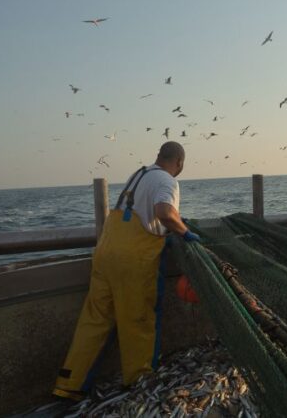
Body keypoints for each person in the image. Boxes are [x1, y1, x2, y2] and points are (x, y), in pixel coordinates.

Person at [53, 141, 200, 400]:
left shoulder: (139, 174)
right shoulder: (167, 180)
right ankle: (139, 383)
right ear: (179, 163)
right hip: (133, 261)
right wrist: (186, 232)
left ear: (158, 155)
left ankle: (68, 384)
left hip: (105, 253)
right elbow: (164, 212)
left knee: (95, 320)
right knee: (138, 320)